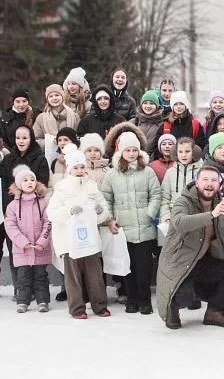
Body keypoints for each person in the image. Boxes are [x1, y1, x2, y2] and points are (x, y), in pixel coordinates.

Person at [156, 166, 224, 329]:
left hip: (203, 261)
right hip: (180, 261)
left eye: (213, 180)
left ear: (219, 184)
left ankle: (214, 311)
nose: (209, 184)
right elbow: (179, 223)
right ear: (196, 182)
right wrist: (211, 215)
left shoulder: (221, 201)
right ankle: (173, 308)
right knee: (185, 296)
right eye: (205, 180)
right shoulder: (183, 201)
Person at [101, 130, 162, 315]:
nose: (131, 154)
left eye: (134, 150)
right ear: (121, 152)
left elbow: (156, 195)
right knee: (128, 268)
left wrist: (149, 214)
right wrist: (110, 220)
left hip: (144, 229)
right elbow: (105, 199)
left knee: (144, 268)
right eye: (127, 150)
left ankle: (145, 301)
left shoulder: (148, 171)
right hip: (123, 229)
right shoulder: (112, 174)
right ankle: (132, 299)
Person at [48, 146, 112, 319]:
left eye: (82, 167)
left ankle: (99, 305)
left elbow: (104, 208)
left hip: (89, 238)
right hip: (69, 240)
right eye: (75, 167)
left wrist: (100, 212)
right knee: (73, 276)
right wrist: (69, 211)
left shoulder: (91, 186)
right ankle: (77, 308)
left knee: (95, 274)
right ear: (69, 169)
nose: (79, 170)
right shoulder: (61, 187)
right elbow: (52, 212)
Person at [0, 125, 50, 300]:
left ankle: (37, 290)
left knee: (36, 252)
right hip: (14, 211)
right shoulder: (8, 160)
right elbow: (5, 186)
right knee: (16, 250)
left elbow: (42, 185)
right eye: (18, 138)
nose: (21, 141)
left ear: (31, 139)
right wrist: (10, 208)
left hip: (35, 211)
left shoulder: (39, 159)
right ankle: (19, 289)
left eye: (25, 137)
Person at [4, 165, 51, 313]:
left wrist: (42, 242)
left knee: (41, 276)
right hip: (22, 249)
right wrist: (22, 242)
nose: (29, 182)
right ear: (19, 184)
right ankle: (22, 301)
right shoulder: (12, 206)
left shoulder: (43, 203)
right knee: (22, 276)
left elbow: (49, 223)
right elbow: (10, 226)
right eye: (25, 180)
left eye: (32, 179)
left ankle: (42, 301)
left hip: (39, 248)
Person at [161, 138, 204, 227]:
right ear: (176, 153)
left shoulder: (202, 171)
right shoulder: (170, 172)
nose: (183, 155)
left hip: (195, 216)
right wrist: (166, 216)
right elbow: (164, 198)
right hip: (174, 217)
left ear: (194, 152)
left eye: (187, 151)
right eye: (180, 152)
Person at [33, 84, 80, 149]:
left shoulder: (74, 116)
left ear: (62, 96)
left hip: (71, 155)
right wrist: (50, 142)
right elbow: (35, 140)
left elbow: (79, 137)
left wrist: (69, 141)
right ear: (47, 99)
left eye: (57, 95)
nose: (54, 98)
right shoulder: (41, 118)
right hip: (48, 156)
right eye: (51, 96)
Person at [46, 128, 80, 194]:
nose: (62, 143)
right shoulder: (54, 162)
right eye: (59, 140)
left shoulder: (80, 160)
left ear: (73, 142)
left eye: (65, 140)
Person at [132, 90, 164, 156]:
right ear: (141, 105)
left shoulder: (162, 124)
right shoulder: (133, 122)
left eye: (151, 103)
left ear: (157, 106)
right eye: (145, 103)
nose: (148, 106)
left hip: (153, 161)